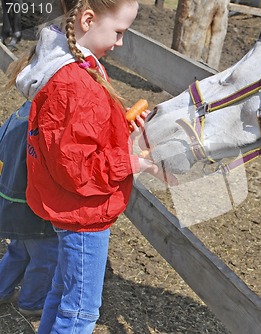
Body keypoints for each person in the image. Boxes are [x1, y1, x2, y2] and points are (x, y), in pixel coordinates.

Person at [5, 0, 160, 331]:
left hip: (73, 209)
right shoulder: (74, 84)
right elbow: (77, 169)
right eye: (118, 32)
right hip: (83, 213)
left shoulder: (77, 65)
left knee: (63, 293)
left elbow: (83, 133)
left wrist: (122, 123)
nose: (119, 43)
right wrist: (133, 162)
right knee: (81, 312)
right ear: (88, 20)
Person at [0, 101, 58, 317]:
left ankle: (2, 289)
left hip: (10, 196)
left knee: (20, 248)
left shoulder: (21, 113)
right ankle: (32, 302)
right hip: (31, 205)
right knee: (46, 255)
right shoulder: (44, 124)